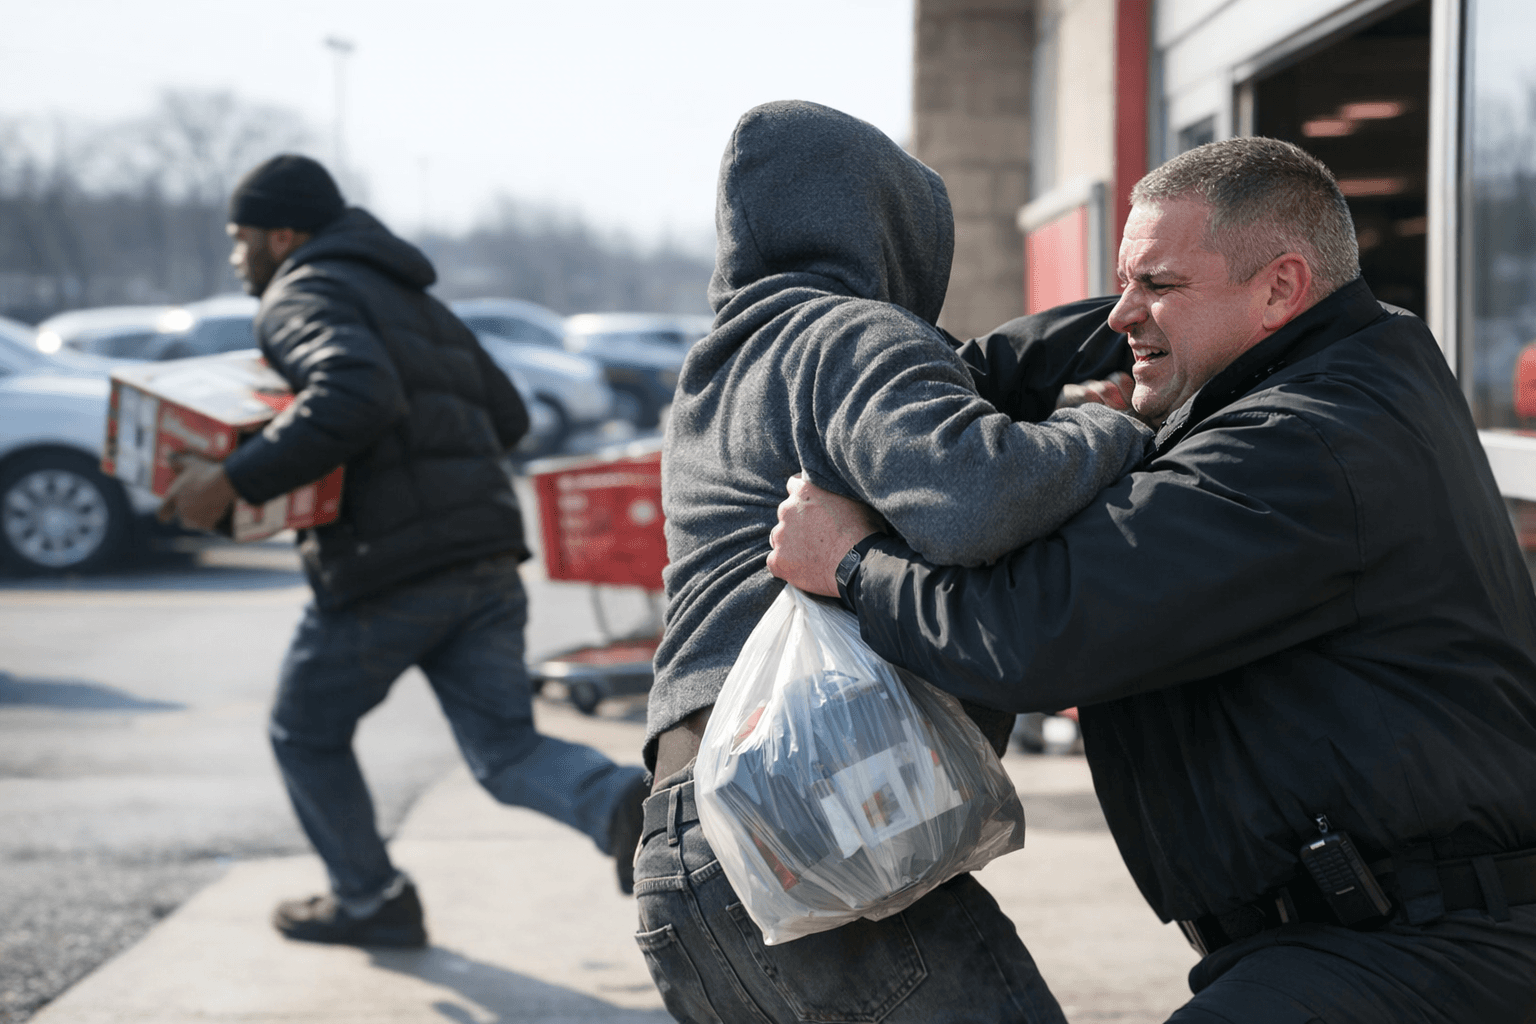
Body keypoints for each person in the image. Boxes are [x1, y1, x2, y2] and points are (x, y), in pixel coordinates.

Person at [768, 136, 1536, 1021]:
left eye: (1157, 287)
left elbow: (1036, 630)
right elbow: (1117, 324)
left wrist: (854, 564)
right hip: (1359, 941)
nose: (1121, 316)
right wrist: (943, 385)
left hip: (1404, 956)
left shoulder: (1299, 446)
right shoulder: (1359, 359)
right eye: (1126, 281)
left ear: (1282, 288)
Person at [637, 100, 1153, 1024]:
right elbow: (977, 499)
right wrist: (1112, 426)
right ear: (892, 229)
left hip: (686, 858)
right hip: (818, 812)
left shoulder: (717, 373)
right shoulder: (848, 333)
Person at [158, 154, 648, 948]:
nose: (235, 255)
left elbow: (357, 391)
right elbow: (509, 415)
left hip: (391, 569)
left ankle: (369, 898)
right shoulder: (415, 299)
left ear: (282, 234)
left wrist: (237, 478)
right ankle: (621, 800)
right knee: (505, 750)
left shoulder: (302, 292)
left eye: (238, 237)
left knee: (304, 730)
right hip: (487, 556)